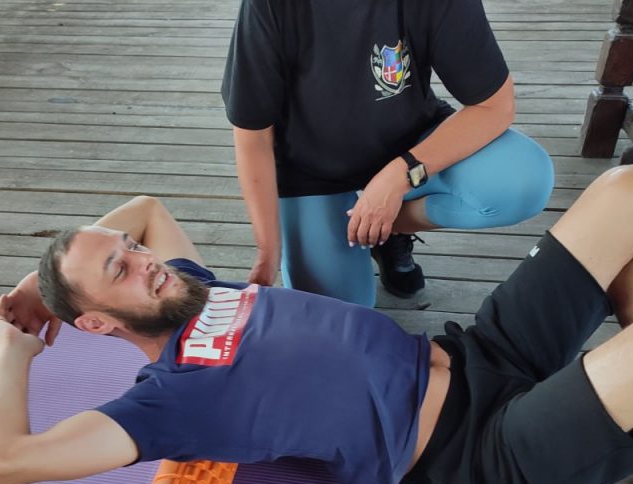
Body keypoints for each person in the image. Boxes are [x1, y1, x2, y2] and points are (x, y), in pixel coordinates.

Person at [0, 165, 633, 484]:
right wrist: (16, 344)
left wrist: (40, 280)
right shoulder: (165, 402)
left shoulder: (187, 286)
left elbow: (146, 208)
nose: (144, 258)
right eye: (121, 269)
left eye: (131, 251)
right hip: (479, 451)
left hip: (479, 355)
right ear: (98, 324)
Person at [221, 0, 554, 306]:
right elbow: (254, 137)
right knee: (340, 319)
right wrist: (268, 254)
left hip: (407, 143)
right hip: (309, 171)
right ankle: (362, 225)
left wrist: (401, 175)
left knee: (523, 181)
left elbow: (495, 107)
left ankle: (387, 227)